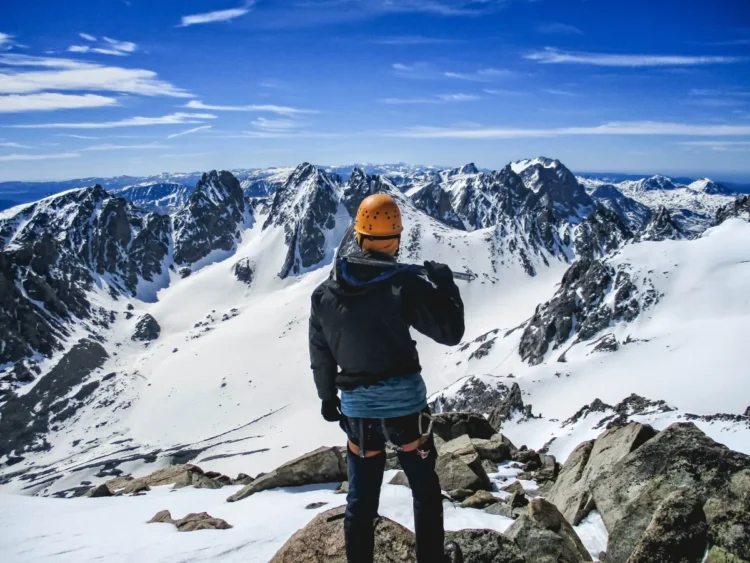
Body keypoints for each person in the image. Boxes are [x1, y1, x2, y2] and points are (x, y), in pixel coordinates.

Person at [309, 193, 466, 563]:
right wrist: (447, 287)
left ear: (359, 236)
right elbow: (450, 331)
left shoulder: (324, 294)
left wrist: (326, 397)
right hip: (407, 412)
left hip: (358, 415)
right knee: (425, 490)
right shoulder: (403, 284)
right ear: (395, 239)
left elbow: (321, 353)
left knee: (360, 501)